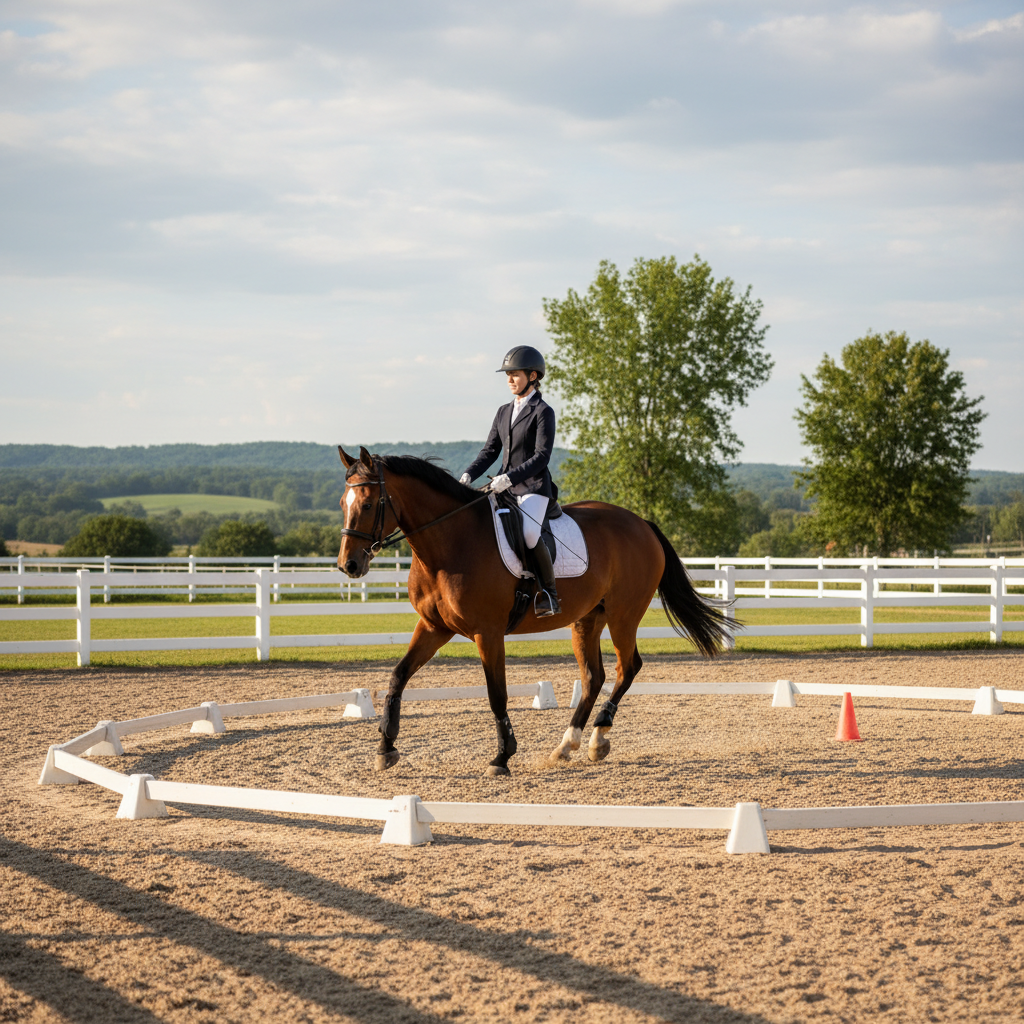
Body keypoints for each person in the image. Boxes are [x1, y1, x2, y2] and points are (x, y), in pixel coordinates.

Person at [461, 346, 562, 617]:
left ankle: (549, 594)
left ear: (532, 376)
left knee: (529, 534)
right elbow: (490, 451)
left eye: (514, 374)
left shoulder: (543, 411)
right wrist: (469, 474)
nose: (509, 380)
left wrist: (509, 477)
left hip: (533, 487)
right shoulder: (503, 411)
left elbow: (541, 457)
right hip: (502, 485)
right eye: (507, 375)